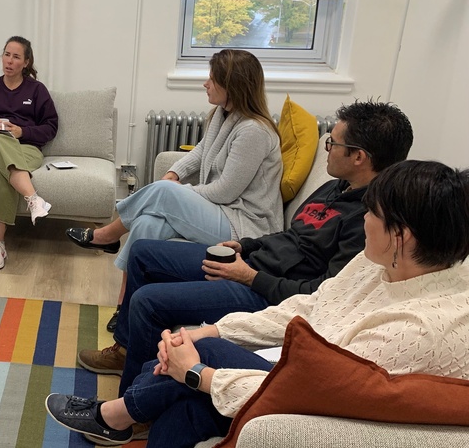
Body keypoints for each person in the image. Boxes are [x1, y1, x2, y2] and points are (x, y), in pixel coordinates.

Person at [47, 159, 469, 447]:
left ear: (402, 236)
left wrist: (197, 372)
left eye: (372, 213)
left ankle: (118, 415)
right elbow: (309, 307)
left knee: (185, 372)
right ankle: (125, 413)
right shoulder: (378, 264)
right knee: (183, 399)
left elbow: (319, 395)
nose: (362, 221)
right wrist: (212, 330)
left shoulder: (414, 329)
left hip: (314, 403)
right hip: (300, 366)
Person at [78, 100, 414, 400]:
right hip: (250, 262)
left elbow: (323, 293)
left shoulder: (371, 221)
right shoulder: (333, 187)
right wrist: (246, 245)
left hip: (267, 292)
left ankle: (132, 408)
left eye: (333, 143)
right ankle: (127, 351)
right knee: (144, 252)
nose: (328, 148)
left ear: (359, 157)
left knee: (148, 300)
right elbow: (291, 236)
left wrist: (251, 278)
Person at [67, 49, 284, 329]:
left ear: (234, 85)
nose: (206, 83)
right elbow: (201, 152)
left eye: (212, 79)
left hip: (244, 225)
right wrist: (173, 173)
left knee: (164, 193)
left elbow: (225, 192)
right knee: (146, 222)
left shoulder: (253, 131)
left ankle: (106, 235)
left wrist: (179, 191)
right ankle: (126, 307)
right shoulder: (222, 114)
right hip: (221, 211)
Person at [0, 36, 58, 271]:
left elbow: (50, 127)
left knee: (0, 172)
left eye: (16, 57)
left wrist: (22, 131)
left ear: (26, 62)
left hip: (25, 149)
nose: (9, 61)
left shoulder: (37, 91)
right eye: (7, 54)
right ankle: (33, 199)